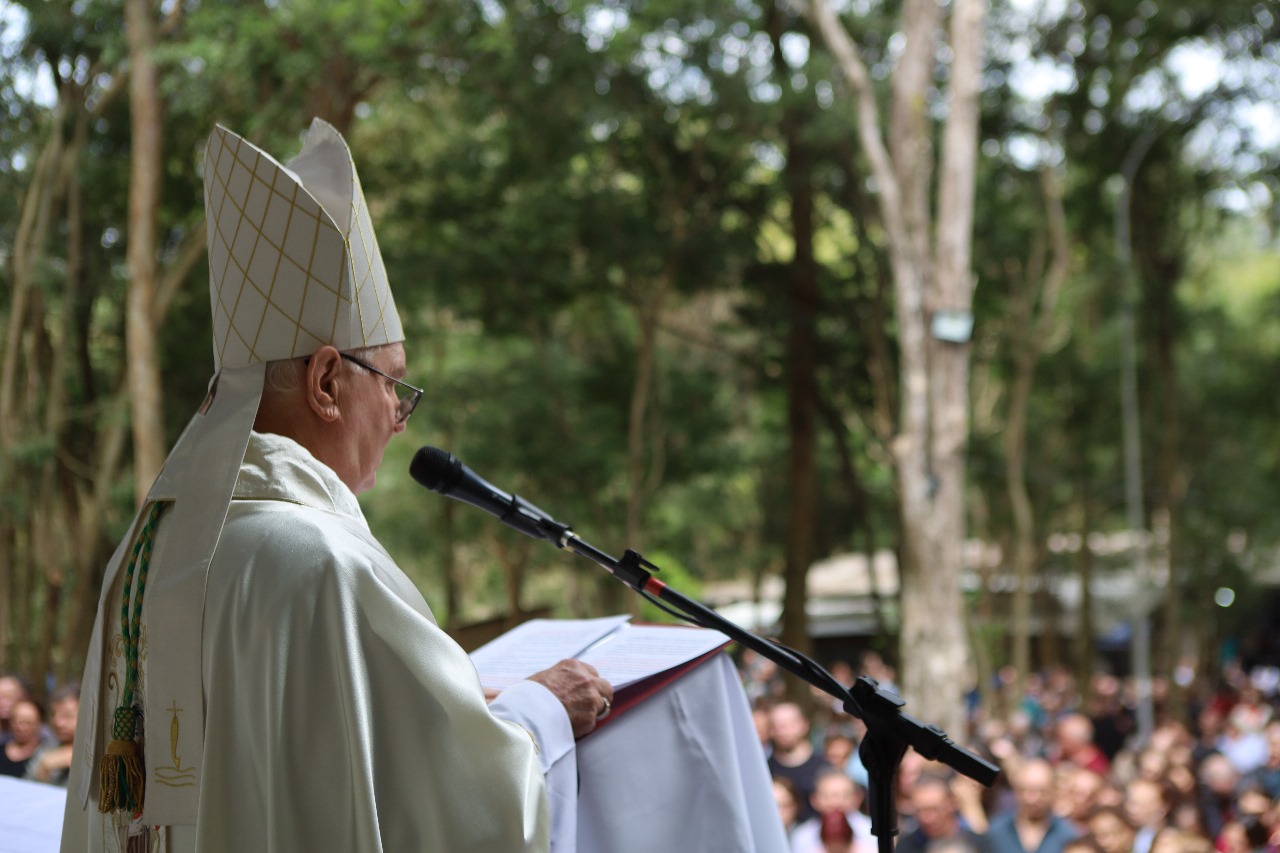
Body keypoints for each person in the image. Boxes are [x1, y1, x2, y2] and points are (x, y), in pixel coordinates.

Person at [60, 119, 610, 852]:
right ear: (325, 381)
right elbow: (461, 809)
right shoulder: (321, 561)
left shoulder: (139, 557)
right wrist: (541, 708)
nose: (399, 419)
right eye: (392, 384)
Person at [987, 759, 1079, 853]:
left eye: (1041, 792)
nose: (1031, 799)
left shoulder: (1067, 836)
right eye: (1024, 790)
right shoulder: (996, 830)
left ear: (1052, 792)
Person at [894, 773, 994, 853]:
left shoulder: (979, 844)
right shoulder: (906, 847)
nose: (927, 818)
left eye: (934, 809)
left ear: (952, 803)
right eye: (920, 810)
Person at [769, 701, 832, 822]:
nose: (783, 731)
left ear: (804, 725)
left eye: (789, 725)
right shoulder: (764, 769)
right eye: (776, 726)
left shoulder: (824, 767)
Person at [790, 768, 874, 853]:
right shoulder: (802, 836)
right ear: (814, 799)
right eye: (827, 796)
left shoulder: (871, 831)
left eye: (844, 796)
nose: (835, 803)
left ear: (857, 798)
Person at [27, 684, 79, 786]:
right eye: (53, 714)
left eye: (67, 716)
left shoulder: (99, 753)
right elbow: (26, 785)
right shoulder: (48, 746)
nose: (58, 722)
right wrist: (44, 769)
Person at [0, 698, 49, 777]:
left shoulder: (46, 753)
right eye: (17, 722)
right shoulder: (1, 748)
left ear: (39, 723)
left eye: (28, 723)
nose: (21, 728)